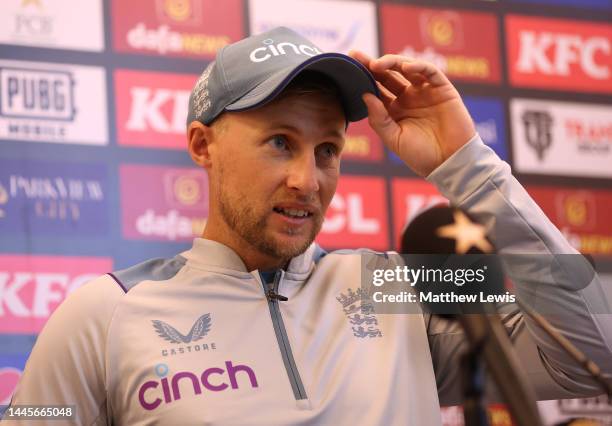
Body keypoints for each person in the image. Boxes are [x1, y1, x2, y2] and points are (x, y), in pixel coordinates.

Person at [6, 27, 612, 425]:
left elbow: (596, 349)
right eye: (279, 142)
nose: (308, 180)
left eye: (327, 150)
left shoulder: (395, 286)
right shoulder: (105, 314)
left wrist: (468, 165)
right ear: (202, 144)